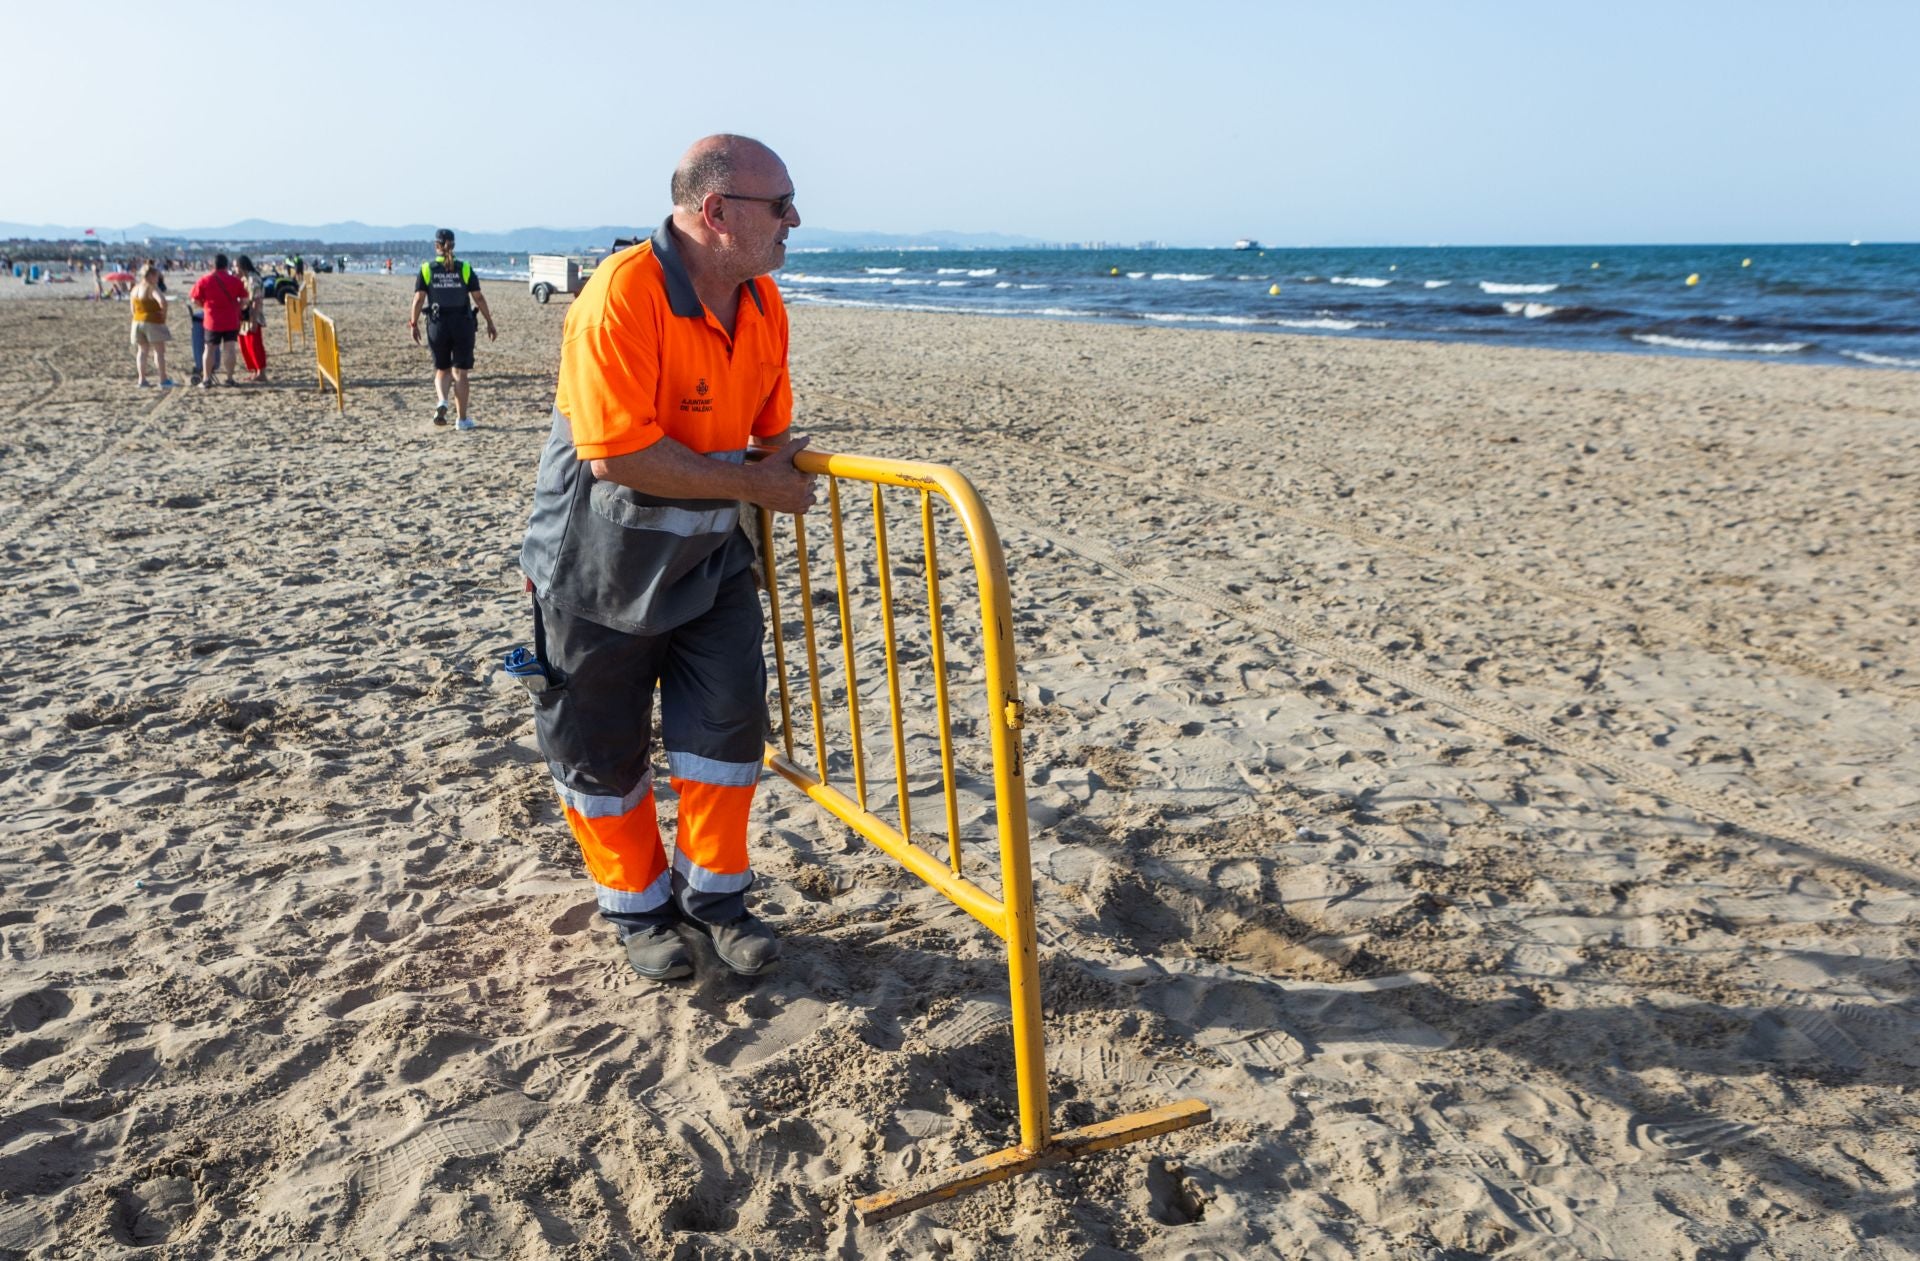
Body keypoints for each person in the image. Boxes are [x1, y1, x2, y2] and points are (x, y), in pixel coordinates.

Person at [517, 134, 813, 982]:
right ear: (716, 212)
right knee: (599, 751)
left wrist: (772, 475)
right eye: (781, 204)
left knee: (726, 731)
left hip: (709, 562)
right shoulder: (622, 295)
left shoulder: (761, 302)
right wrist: (756, 487)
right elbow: (620, 455)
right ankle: (639, 909)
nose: (793, 219)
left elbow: (771, 436)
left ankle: (714, 900)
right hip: (595, 569)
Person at [408, 228, 496, 429]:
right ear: (453, 245)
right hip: (462, 324)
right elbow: (478, 298)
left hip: (437, 324)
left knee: (442, 369)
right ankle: (462, 420)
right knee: (461, 373)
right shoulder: (464, 268)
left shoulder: (426, 269)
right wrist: (490, 322)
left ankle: (442, 401)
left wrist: (413, 323)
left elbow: (418, 299)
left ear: (436, 245)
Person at [189, 254, 248, 388]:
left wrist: (205, 305)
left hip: (212, 320)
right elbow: (245, 300)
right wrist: (237, 307)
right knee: (230, 349)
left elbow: (194, 299)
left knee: (209, 349)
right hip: (231, 319)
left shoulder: (205, 280)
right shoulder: (234, 281)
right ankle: (229, 378)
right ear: (226, 265)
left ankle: (206, 379)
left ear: (212, 265)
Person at [128, 265, 173, 387]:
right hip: (152, 321)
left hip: (137, 321)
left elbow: (132, 309)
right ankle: (163, 379)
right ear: (151, 276)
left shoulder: (135, 289)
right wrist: (163, 314)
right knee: (159, 351)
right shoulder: (151, 288)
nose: (158, 279)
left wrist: (138, 316)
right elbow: (162, 301)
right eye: (157, 276)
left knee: (142, 351)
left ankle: (142, 380)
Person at [235, 256, 268, 382]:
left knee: (254, 344)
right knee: (245, 345)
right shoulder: (243, 279)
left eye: (236, 266)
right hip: (244, 317)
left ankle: (261, 371)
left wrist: (254, 320)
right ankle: (254, 370)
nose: (235, 269)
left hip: (253, 315)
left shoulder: (253, 279)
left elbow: (256, 300)